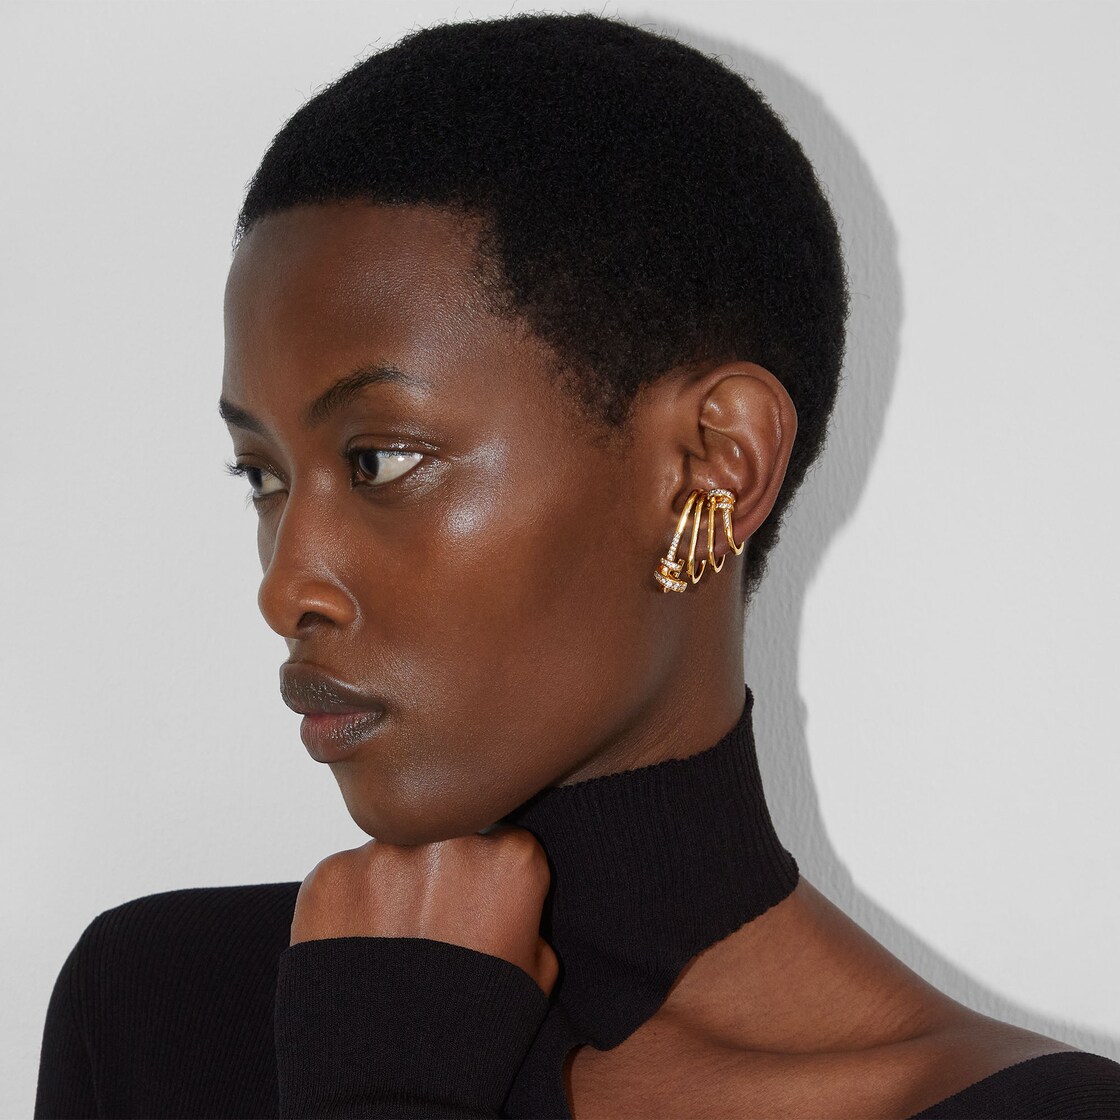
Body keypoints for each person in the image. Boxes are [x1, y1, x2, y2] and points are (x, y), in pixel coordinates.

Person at [32, 12, 1120, 1119]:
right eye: (261, 475)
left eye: (380, 460)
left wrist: (389, 1084)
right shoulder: (157, 1010)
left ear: (712, 464)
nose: (286, 587)